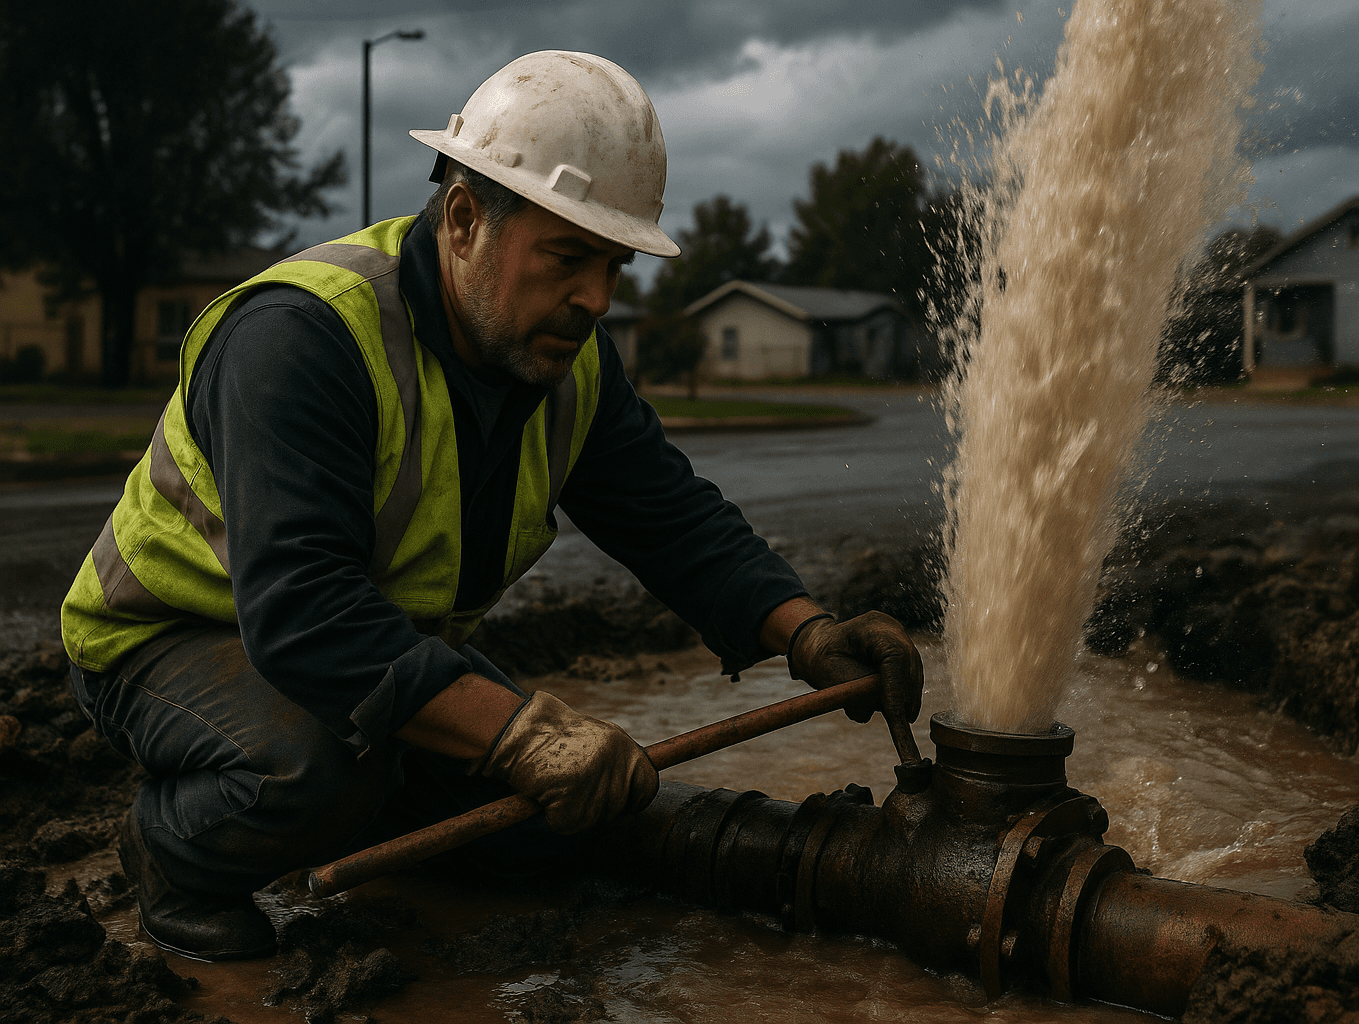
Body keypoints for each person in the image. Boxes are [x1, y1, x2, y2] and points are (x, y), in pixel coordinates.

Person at [59, 50, 923, 963]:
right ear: (465, 219)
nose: (596, 297)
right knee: (318, 769)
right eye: (567, 256)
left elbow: (672, 518)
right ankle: (169, 851)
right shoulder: (302, 337)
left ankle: (369, 796)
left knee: (544, 825)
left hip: (367, 642)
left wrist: (807, 632)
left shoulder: (559, 356)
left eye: (615, 265)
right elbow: (303, 613)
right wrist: (515, 730)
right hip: (168, 637)